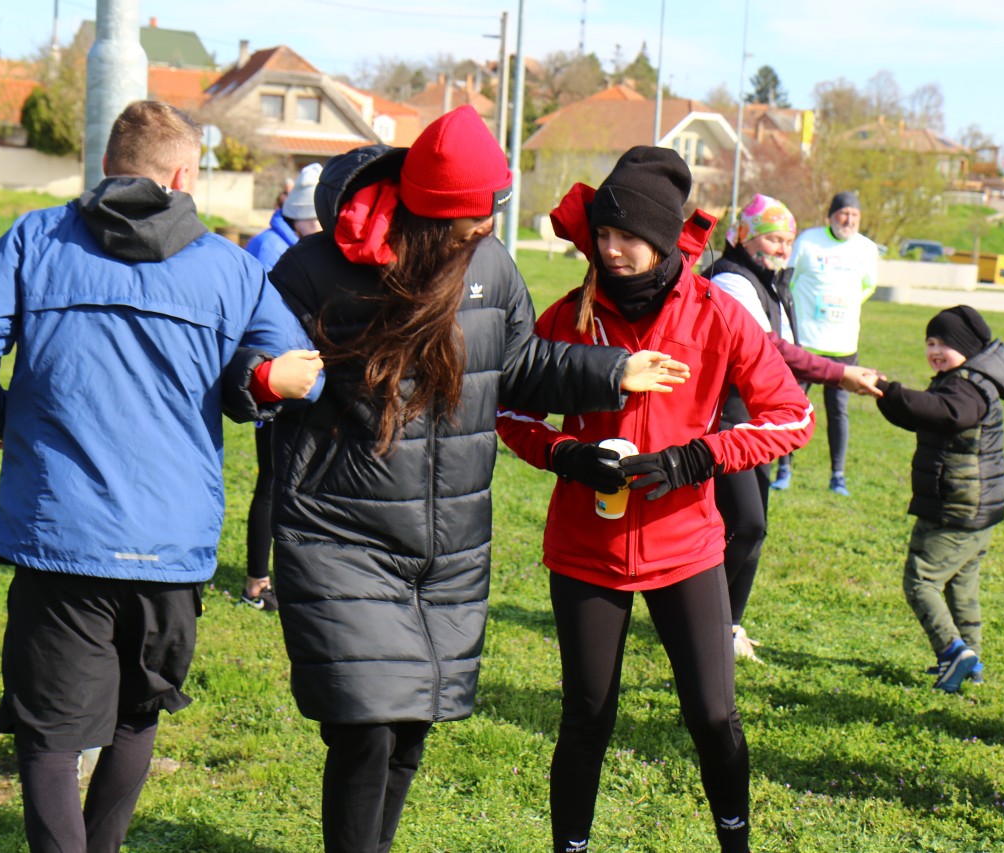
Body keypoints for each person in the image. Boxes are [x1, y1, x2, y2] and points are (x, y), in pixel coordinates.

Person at [259, 107, 687, 853]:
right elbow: (246, 357)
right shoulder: (317, 268)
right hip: (340, 530)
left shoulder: (490, 265)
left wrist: (612, 370)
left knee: (410, 725)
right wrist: (266, 378)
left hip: (445, 544)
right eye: (480, 209)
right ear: (434, 210)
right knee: (365, 727)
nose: (490, 221)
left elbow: (519, 365)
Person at [0, 101, 323, 853]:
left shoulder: (36, 238)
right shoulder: (231, 267)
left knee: (49, 728)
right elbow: (298, 369)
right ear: (183, 175)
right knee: (137, 714)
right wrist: (256, 381)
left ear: (107, 166)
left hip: (62, 529)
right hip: (170, 537)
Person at [497, 148, 815, 853]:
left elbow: (793, 417)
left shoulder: (717, 314)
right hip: (586, 548)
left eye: (629, 236)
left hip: (686, 548)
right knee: (586, 717)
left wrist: (697, 457)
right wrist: (565, 454)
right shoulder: (568, 315)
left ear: (665, 237)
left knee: (713, 716)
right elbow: (510, 410)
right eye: (603, 234)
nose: (611, 249)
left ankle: (736, 842)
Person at [703, 194, 883, 661]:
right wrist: (838, 373)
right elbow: (769, 347)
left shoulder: (769, 281)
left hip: (757, 422)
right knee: (745, 524)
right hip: (724, 421)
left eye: (787, 240)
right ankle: (701, 622)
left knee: (754, 529)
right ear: (745, 236)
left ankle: (728, 626)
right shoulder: (730, 279)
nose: (782, 248)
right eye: (772, 238)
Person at [873, 306, 1004, 692]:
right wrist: (886, 396)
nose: (935, 351)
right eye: (930, 343)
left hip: (959, 505)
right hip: (971, 506)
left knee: (920, 580)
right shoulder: (960, 381)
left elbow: (945, 412)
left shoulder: (966, 388)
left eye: (945, 344)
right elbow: (922, 415)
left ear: (967, 348)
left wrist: (892, 392)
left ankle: (953, 652)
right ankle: (971, 662)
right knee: (961, 586)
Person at [240, 162, 324, 611]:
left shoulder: (288, 243)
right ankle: (256, 582)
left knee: (292, 482)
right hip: (274, 384)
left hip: (298, 380)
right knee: (272, 482)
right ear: (303, 216)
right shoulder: (271, 248)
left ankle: (290, 573)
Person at [780, 190, 880, 496]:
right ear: (831, 215)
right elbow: (787, 282)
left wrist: (843, 305)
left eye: (855, 215)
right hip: (805, 344)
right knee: (791, 408)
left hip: (843, 346)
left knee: (838, 412)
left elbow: (868, 286)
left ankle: (838, 475)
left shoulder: (866, 248)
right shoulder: (808, 241)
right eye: (843, 213)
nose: (849, 220)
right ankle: (783, 468)